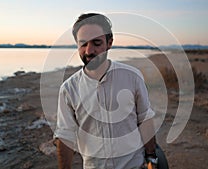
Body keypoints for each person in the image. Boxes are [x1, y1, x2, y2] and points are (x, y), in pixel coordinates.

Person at [54, 13, 158, 169]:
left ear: (109, 43)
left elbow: (145, 118)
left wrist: (152, 158)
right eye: (83, 44)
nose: (89, 51)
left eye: (96, 43)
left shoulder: (132, 76)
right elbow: (65, 136)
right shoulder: (68, 89)